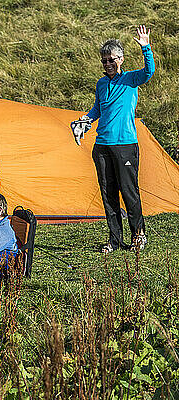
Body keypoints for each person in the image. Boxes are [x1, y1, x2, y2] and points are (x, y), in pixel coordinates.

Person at [72, 25, 154, 253]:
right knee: (108, 195)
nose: (107, 64)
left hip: (125, 145)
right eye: (104, 61)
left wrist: (146, 47)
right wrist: (86, 120)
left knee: (129, 191)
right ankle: (115, 239)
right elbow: (98, 108)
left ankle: (139, 235)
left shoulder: (130, 79)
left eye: (111, 60)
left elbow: (149, 72)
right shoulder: (101, 84)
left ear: (121, 59)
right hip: (102, 146)